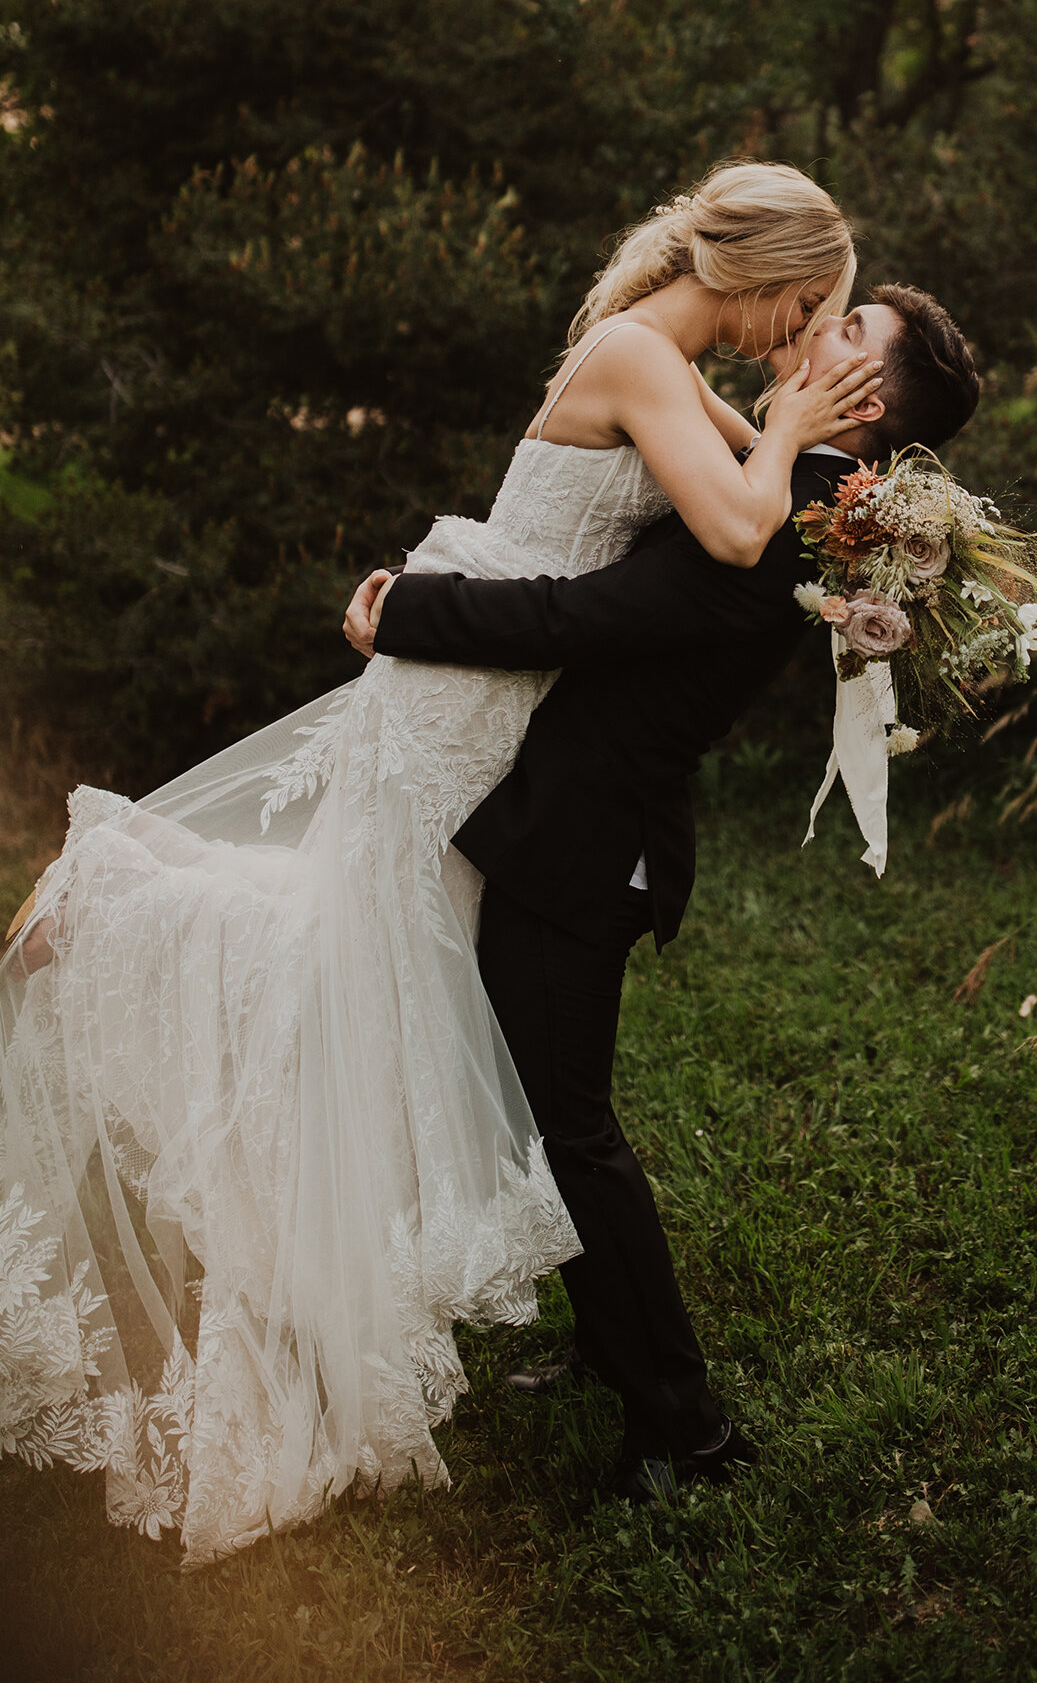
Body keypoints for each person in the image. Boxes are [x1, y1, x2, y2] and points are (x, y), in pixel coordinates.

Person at [0, 161, 878, 1563]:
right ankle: (114, 885)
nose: (795, 335)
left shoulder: (669, 358)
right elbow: (738, 524)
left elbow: (745, 519)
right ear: (757, 267)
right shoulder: (637, 350)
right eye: (803, 305)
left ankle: (149, 935)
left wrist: (826, 492)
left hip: (495, 710)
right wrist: (793, 426)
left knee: (372, 978)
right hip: (459, 710)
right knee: (349, 966)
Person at [344, 283, 980, 1500]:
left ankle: (685, 1430)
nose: (824, 322)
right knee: (555, 1113)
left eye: (852, 332)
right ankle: (609, 1348)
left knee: (570, 1126)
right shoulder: (791, 483)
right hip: (581, 823)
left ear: (874, 398)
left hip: (589, 842)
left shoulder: (792, 507)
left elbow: (589, 616)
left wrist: (407, 610)